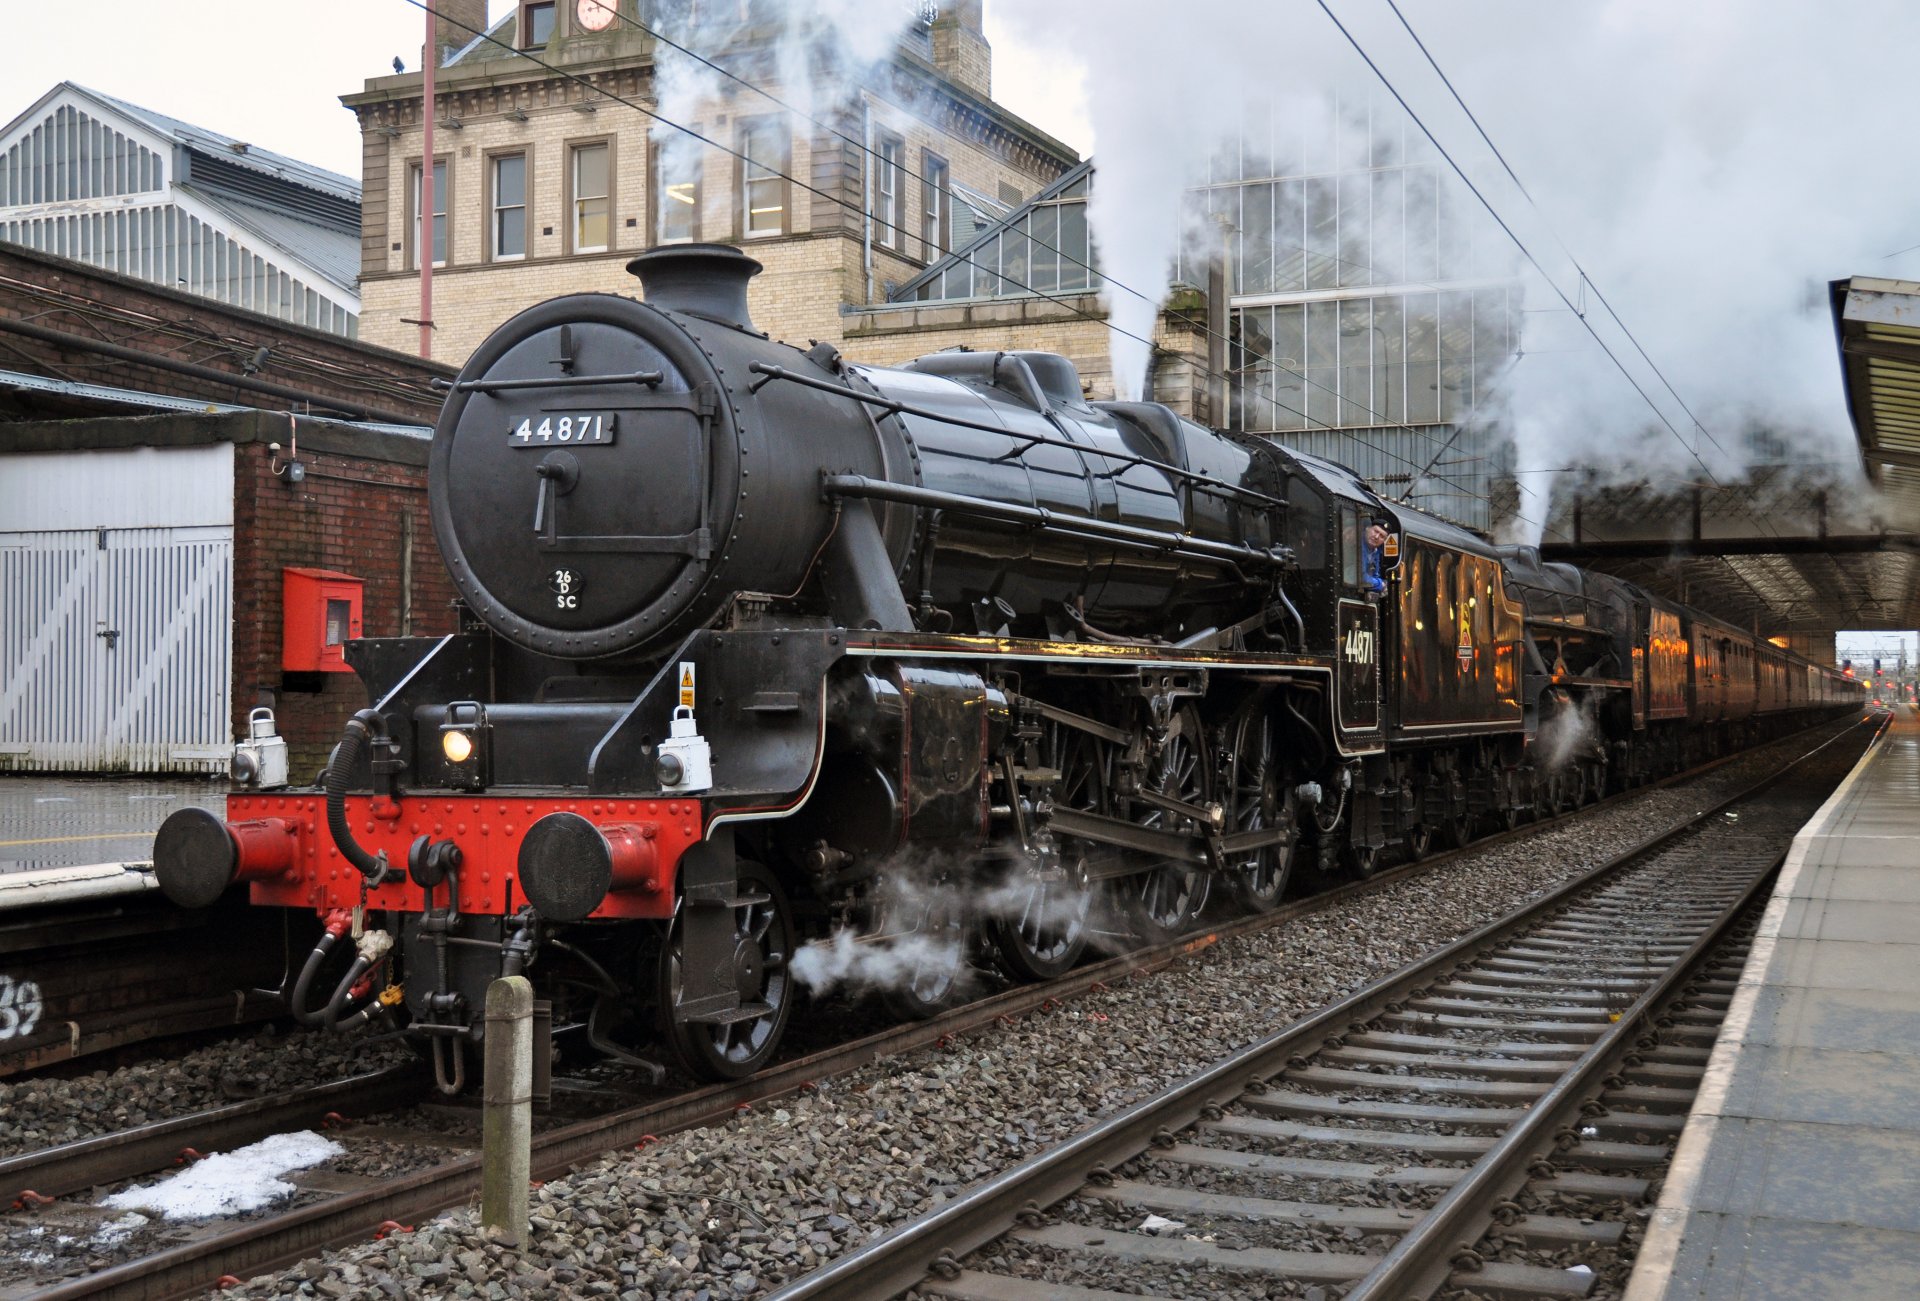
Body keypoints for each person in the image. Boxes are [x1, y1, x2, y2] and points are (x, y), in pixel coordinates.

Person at [1362, 519, 1390, 599]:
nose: (1377, 537)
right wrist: (1380, 584)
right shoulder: (1356, 544)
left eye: (1382, 536)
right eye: (1375, 531)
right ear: (1367, 528)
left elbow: (1375, 575)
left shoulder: (1376, 551)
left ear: (1384, 541)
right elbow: (1358, 577)